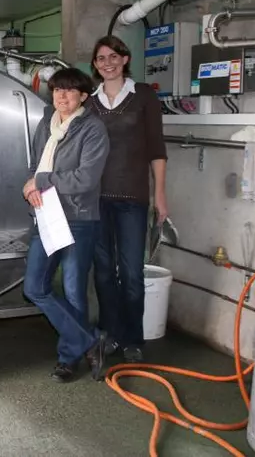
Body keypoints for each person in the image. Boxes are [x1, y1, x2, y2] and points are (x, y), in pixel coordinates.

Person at [22, 68, 110, 382]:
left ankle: (68, 358)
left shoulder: (93, 129)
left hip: (78, 219)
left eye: (70, 91)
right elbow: (35, 165)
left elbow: (86, 179)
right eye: (58, 89)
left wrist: (41, 181)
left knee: (73, 290)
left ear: (84, 96)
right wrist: (30, 185)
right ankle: (89, 340)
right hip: (46, 215)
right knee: (34, 287)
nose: (62, 96)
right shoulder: (46, 124)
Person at [87, 35, 168, 363]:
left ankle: (133, 337)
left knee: (132, 271)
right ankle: (109, 333)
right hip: (96, 200)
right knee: (103, 271)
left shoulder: (144, 96)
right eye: (100, 58)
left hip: (133, 198)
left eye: (112, 57)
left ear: (125, 59)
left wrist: (160, 194)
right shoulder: (88, 102)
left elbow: (157, 149)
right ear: (95, 65)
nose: (107, 63)